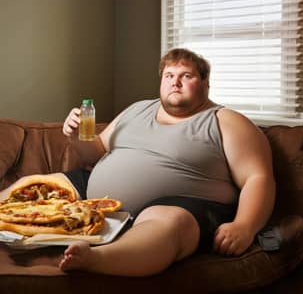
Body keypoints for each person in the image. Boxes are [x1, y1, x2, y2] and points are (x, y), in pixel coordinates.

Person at [0, 48, 276, 276]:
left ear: (205, 83)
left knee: (167, 226)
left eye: (186, 75)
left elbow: (258, 178)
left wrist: (244, 226)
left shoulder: (225, 121)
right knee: (32, 185)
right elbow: (96, 151)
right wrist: (75, 138)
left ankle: (96, 260)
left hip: (179, 205)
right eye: (169, 75)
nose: (175, 82)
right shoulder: (138, 108)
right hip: (96, 196)